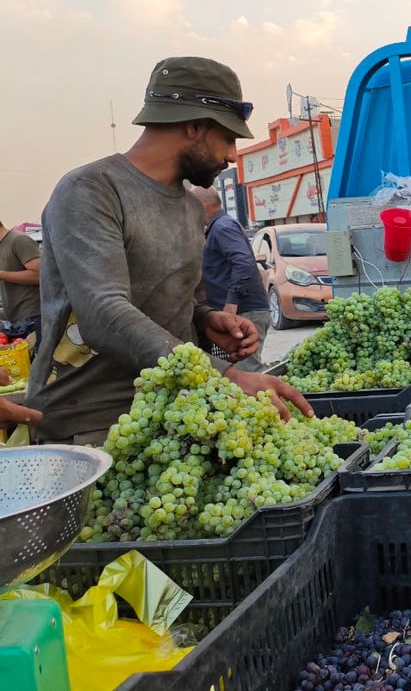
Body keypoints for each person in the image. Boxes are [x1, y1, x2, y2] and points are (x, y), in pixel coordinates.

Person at [26, 56, 313, 445]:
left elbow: (177, 301)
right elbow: (103, 312)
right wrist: (224, 375)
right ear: (194, 126)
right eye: (228, 138)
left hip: (176, 408)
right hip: (94, 421)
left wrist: (207, 321)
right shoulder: (90, 191)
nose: (231, 155)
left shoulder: (192, 208)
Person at [193, 186, 270, 372]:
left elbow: (243, 262)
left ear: (202, 206)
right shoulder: (218, 228)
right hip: (238, 313)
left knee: (247, 373)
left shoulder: (222, 227)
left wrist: (231, 302)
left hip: (244, 312)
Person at [0, 220, 42, 347]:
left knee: (38, 362)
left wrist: (1, 274)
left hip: (34, 317)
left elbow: (40, 275)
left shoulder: (19, 240)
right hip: (15, 319)